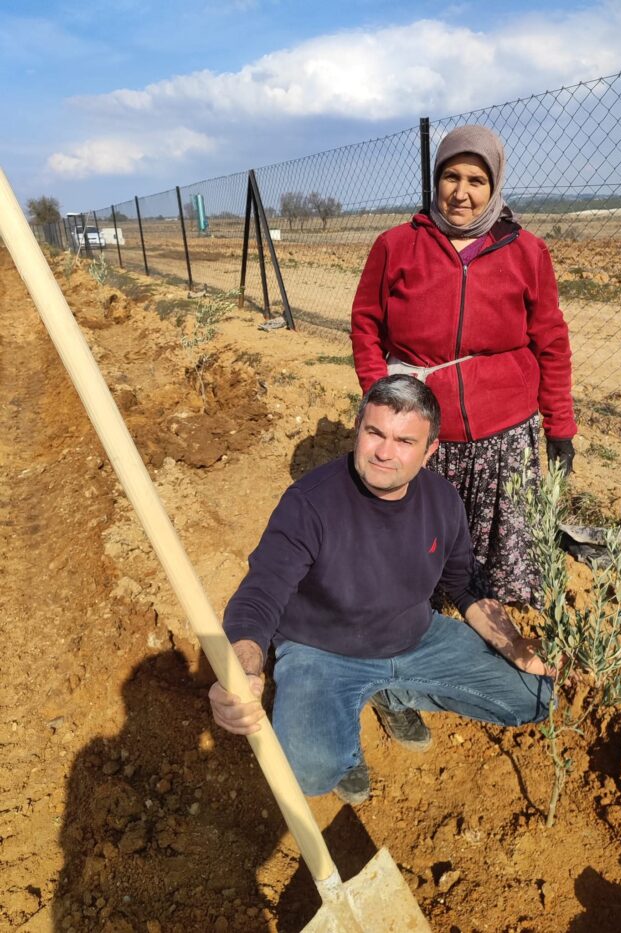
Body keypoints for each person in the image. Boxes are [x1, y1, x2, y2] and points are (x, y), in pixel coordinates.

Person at [209, 375, 552, 804]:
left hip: (416, 637)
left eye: (405, 441)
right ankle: (347, 751)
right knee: (311, 774)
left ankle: (391, 693)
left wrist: (514, 644)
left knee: (533, 698)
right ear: (359, 430)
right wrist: (242, 667)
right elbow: (261, 594)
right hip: (322, 651)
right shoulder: (310, 502)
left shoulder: (443, 501)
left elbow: (464, 585)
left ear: (430, 451)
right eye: (375, 433)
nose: (385, 453)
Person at [351, 125, 577, 607]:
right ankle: (417, 612)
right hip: (426, 428)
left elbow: (552, 342)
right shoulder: (396, 246)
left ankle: (496, 621)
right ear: (436, 181)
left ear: (494, 187)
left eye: (477, 181)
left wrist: (560, 427)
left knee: (502, 557)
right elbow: (365, 326)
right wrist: (383, 396)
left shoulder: (527, 252)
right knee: (420, 544)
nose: (461, 193)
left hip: (504, 429)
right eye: (451, 177)